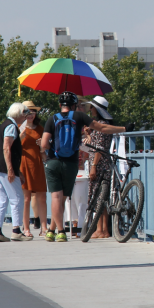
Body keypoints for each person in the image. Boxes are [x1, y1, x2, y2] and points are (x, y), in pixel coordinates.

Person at [40, 91, 132, 242]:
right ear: (74, 105)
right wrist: (124, 128)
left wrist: (49, 155)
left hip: (53, 162)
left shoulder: (52, 119)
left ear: (60, 105)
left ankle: (56, 231)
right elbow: (102, 128)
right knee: (63, 198)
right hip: (70, 163)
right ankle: (55, 230)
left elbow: (43, 144)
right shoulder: (80, 117)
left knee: (55, 197)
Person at [0, 102, 34, 242]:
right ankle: (16, 230)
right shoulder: (11, 126)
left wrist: (17, 171)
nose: (26, 117)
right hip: (4, 168)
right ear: (20, 114)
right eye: (25, 114)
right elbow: (7, 148)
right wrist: (11, 169)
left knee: (1, 201)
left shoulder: (5, 124)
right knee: (17, 198)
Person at [84, 96, 115, 239]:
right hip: (103, 163)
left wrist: (94, 166)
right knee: (102, 197)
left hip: (99, 164)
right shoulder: (102, 125)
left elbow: (100, 148)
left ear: (96, 109)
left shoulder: (101, 125)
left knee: (98, 196)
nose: (90, 110)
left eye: (91, 107)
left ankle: (101, 230)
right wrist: (89, 134)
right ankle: (101, 229)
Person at [18, 100, 48, 238]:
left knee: (42, 197)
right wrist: (20, 137)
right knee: (26, 198)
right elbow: (11, 148)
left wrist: (42, 147)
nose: (31, 114)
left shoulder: (40, 129)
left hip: (37, 163)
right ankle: (26, 228)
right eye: (27, 112)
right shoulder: (18, 127)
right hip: (24, 164)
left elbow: (44, 153)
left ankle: (44, 228)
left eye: (33, 111)